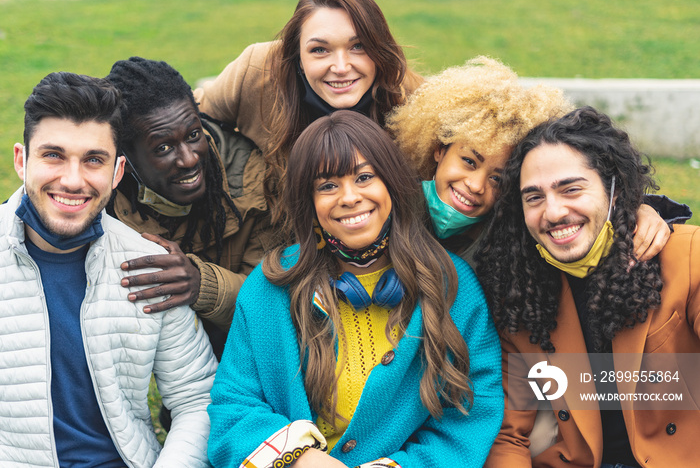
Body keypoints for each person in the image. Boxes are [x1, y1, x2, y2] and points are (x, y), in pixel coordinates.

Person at [207, 111, 504, 467]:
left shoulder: (454, 288)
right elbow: (234, 404)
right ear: (309, 202)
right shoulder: (270, 286)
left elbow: (470, 419)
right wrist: (301, 460)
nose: (349, 197)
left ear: (392, 183)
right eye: (327, 185)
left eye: (364, 177)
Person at [0, 72, 217, 467]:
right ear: (21, 160)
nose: (72, 180)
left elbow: (198, 396)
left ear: (117, 173)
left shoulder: (146, 263)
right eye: (53, 155)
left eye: (93, 161)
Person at [477, 107, 697, 468]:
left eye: (571, 189)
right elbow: (508, 435)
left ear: (615, 191)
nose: (553, 212)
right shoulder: (520, 294)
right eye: (534, 197)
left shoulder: (687, 255)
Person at [386, 56, 672, 269]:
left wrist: (644, 211)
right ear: (438, 149)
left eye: (497, 178)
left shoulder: (516, 235)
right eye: (469, 162)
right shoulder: (389, 205)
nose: (475, 185)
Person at [194, 0, 424, 225]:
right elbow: (182, 122)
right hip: (276, 237)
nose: (340, 67)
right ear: (297, 56)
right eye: (319, 50)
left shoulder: (413, 101)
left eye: (358, 46)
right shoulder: (257, 72)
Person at [106, 57, 273, 361]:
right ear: (126, 156)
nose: (189, 159)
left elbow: (270, 302)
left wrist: (200, 283)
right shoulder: (102, 192)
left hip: (244, 359)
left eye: (193, 135)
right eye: (164, 148)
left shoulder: (250, 178)